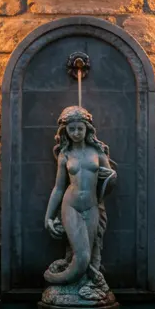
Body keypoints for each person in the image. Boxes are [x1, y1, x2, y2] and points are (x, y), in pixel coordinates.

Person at [43, 104, 116, 297]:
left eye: (80, 128)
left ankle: (85, 286)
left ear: (87, 129)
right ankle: (55, 278)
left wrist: (111, 178)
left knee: (90, 252)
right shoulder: (65, 155)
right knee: (82, 256)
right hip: (71, 205)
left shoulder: (98, 153)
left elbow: (108, 181)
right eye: (71, 129)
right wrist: (49, 217)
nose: (76, 133)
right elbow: (58, 188)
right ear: (65, 131)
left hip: (91, 206)